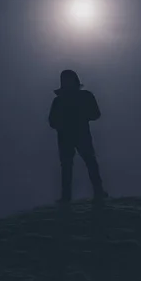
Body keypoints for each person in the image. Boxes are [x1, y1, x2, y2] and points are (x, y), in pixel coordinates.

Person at [49, 69, 108, 203]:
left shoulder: (63, 100)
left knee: (82, 163)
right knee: (75, 164)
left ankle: (90, 192)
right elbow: (52, 121)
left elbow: (95, 114)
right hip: (71, 136)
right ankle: (70, 196)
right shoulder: (63, 100)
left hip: (75, 135)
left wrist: (73, 119)